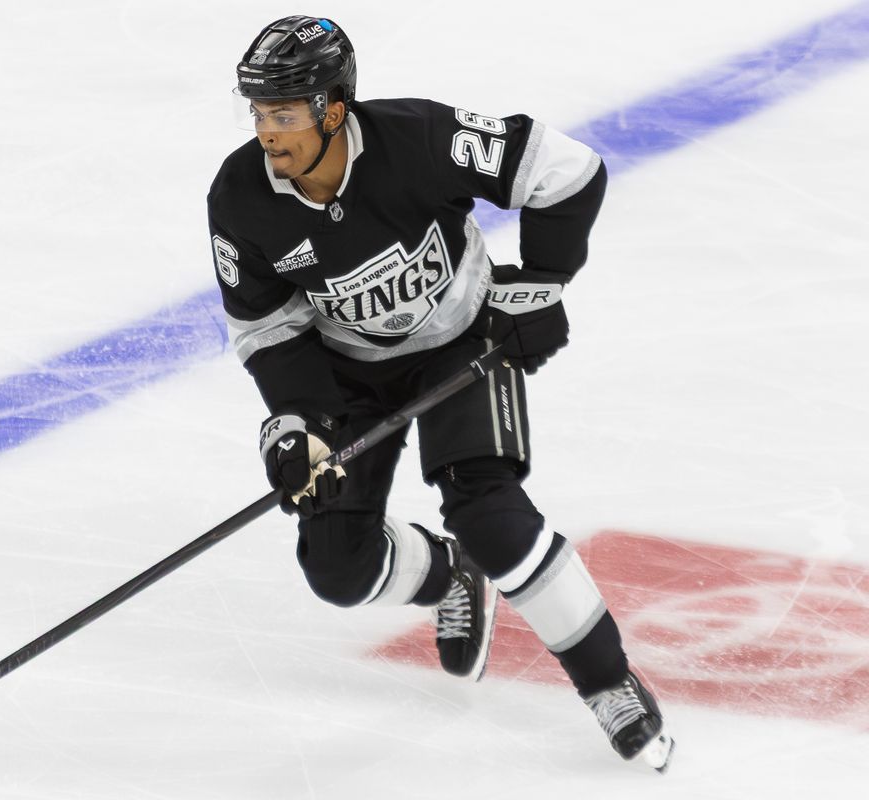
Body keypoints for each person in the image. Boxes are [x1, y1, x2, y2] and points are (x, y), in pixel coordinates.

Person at [207, 15, 674, 771]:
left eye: (284, 113)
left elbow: (568, 170)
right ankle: (450, 573)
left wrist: (542, 285)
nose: (266, 131)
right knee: (338, 570)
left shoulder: (418, 138)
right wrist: (299, 423)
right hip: (346, 372)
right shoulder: (239, 199)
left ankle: (608, 682)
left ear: (334, 108)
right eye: (257, 112)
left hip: (461, 343)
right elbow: (265, 327)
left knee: (489, 511)